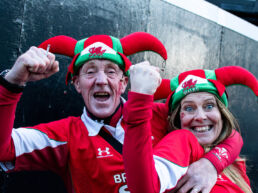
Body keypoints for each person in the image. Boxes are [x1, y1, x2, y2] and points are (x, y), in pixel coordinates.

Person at [0, 31, 245, 193]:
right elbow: (4, 149)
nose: (100, 80)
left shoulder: (157, 114)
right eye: (89, 71)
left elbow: (227, 132)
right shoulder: (65, 135)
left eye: (111, 71)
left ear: (124, 82)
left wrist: (211, 163)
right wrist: (13, 83)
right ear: (76, 84)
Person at [123, 62, 257, 193]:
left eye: (209, 106)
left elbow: (233, 135)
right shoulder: (180, 142)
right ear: (177, 118)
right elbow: (144, 188)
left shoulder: (234, 161)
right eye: (189, 108)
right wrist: (140, 98)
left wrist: (212, 163)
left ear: (222, 114)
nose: (200, 116)